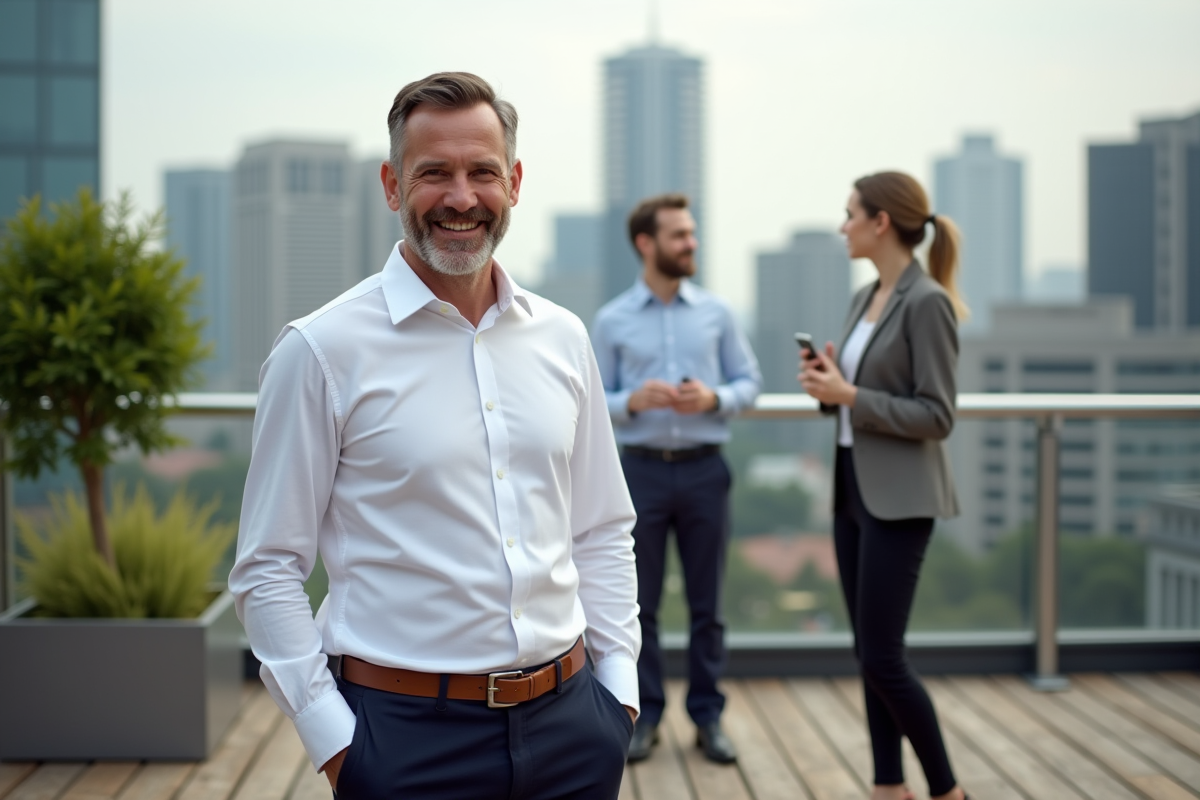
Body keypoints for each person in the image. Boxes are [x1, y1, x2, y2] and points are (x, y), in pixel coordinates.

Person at [229, 72, 640, 800]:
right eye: (433, 174)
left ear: (513, 182)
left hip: (575, 728)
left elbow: (601, 528)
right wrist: (340, 748)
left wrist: (618, 694)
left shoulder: (563, 338)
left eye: (482, 171)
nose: (461, 197)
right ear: (392, 185)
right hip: (404, 744)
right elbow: (267, 568)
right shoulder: (320, 350)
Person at [798, 171, 969, 800]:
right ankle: (888, 786)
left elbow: (938, 414)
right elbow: (856, 400)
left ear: (881, 222)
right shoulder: (867, 295)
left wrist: (851, 394)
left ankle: (948, 790)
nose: (842, 226)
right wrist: (830, 389)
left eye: (850, 214)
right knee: (868, 654)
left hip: (901, 501)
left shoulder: (927, 303)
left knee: (883, 658)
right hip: (854, 492)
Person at [592, 194, 762, 765]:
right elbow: (592, 402)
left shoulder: (717, 313)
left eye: (691, 234)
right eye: (679, 236)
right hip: (637, 473)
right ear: (646, 243)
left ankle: (709, 717)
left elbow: (750, 382)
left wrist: (715, 397)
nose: (691, 244)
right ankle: (647, 716)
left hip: (706, 471)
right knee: (638, 606)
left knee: (707, 604)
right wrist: (630, 402)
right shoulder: (612, 319)